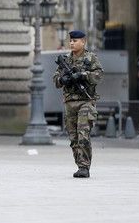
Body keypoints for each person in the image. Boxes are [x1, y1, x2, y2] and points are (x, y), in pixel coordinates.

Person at [53, 30, 103, 178]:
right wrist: (63, 80)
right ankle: (79, 164)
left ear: (83, 42)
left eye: (75, 41)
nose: (72, 43)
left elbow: (99, 75)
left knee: (83, 134)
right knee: (73, 137)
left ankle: (84, 167)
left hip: (85, 101)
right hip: (70, 103)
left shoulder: (91, 58)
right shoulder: (65, 60)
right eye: (71, 41)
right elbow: (55, 79)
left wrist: (83, 75)